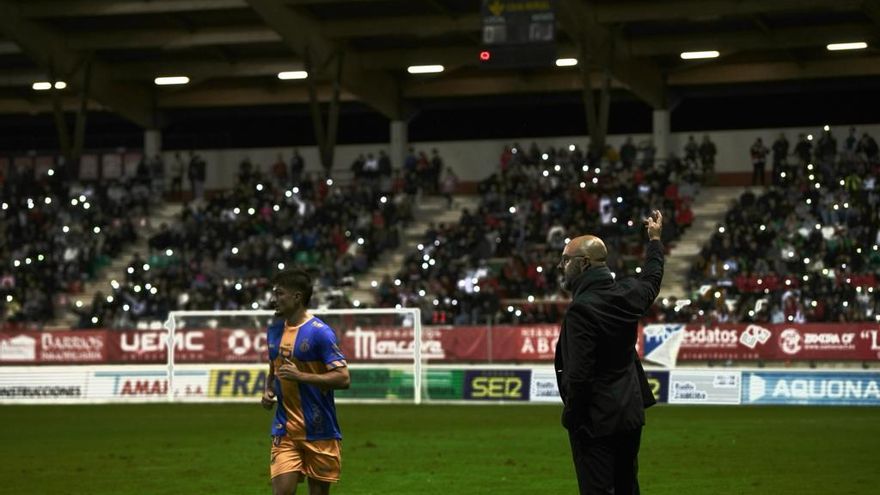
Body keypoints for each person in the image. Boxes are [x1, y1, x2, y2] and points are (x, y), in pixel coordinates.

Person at [554, 210, 664, 495]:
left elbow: (579, 374)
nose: (561, 265)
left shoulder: (581, 309)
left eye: (566, 260)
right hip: (629, 413)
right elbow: (652, 280)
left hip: (595, 421)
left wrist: (571, 417)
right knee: (628, 487)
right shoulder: (627, 294)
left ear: (584, 263)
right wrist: (654, 240)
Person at [261, 268, 351, 495]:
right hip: (285, 429)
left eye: (280, 293)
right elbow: (274, 364)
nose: (275, 299)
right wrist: (268, 388)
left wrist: (301, 377)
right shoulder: (273, 330)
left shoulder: (320, 333)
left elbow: (343, 378)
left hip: (320, 430)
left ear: (297, 297)